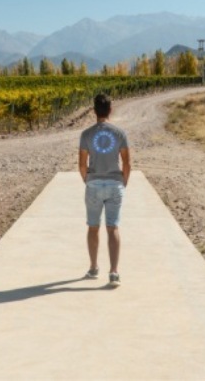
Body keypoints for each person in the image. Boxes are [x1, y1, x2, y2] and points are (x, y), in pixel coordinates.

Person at [78, 93, 131, 287]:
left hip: (93, 184)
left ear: (94, 111)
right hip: (114, 184)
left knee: (93, 227)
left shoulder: (86, 135)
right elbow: (126, 162)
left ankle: (93, 268)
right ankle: (114, 272)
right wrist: (122, 183)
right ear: (110, 110)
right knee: (113, 228)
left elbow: (82, 164)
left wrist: (88, 180)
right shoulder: (119, 134)